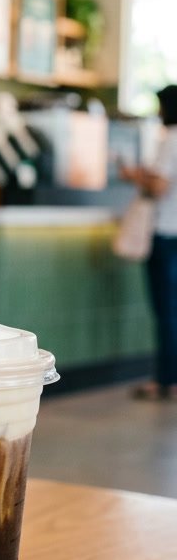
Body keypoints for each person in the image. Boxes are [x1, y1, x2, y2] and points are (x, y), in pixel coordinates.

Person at [122, 85, 177, 400]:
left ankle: (165, 379)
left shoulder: (170, 139)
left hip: (166, 232)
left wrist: (134, 176)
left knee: (166, 309)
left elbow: (159, 187)